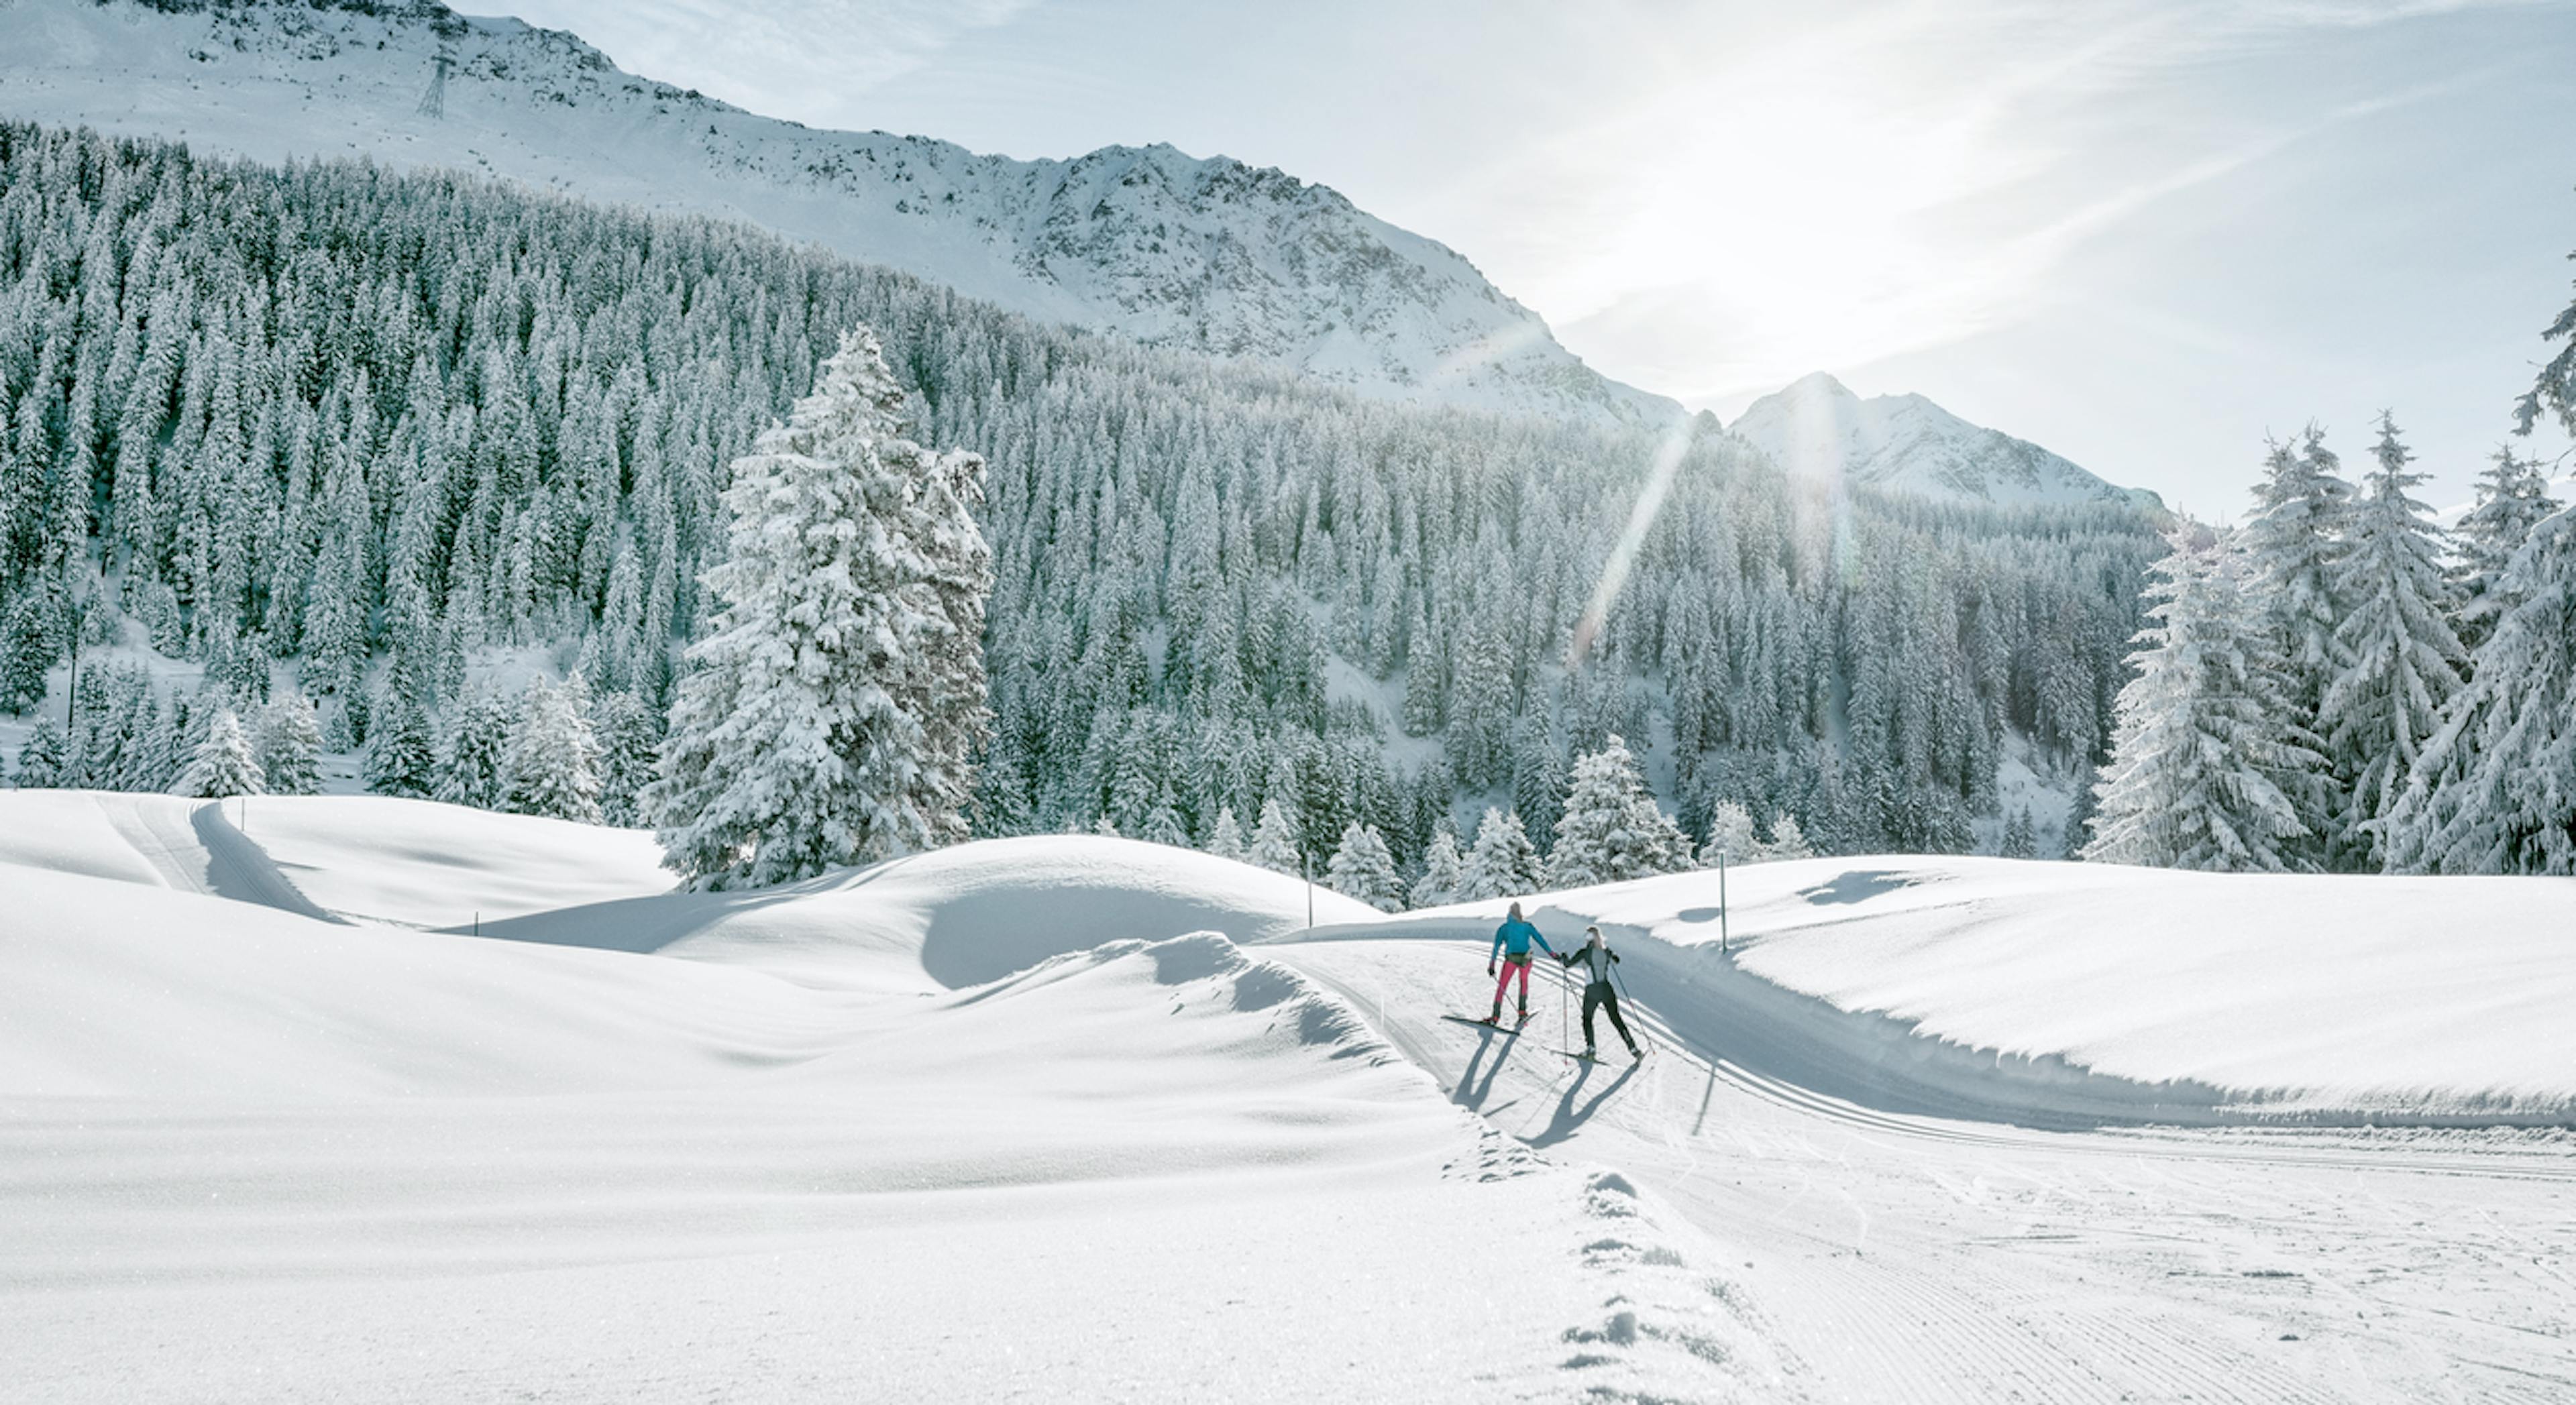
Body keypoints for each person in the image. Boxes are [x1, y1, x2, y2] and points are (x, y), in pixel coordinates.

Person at [1558, 925, 1642, 1060]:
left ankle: (1591, 1049)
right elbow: (1616, 961)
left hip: (1592, 991)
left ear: (1588, 938)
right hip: (1607, 989)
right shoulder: (1606, 951)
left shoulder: (1584, 953)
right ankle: (1633, 1048)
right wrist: (1610, 955)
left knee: (1587, 1019)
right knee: (1616, 1019)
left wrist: (1563, 957)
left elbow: (1567, 964)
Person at [1486, 901, 1556, 1024]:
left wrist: (1492, 965)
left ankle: (1495, 1017)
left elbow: (1496, 948)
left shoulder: (1504, 928)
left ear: (1509, 913)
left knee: (1502, 987)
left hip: (1511, 960)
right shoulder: (1527, 926)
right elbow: (1540, 940)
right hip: (1526, 960)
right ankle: (1522, 1012)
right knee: (1523, 984)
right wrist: (1552, 954)